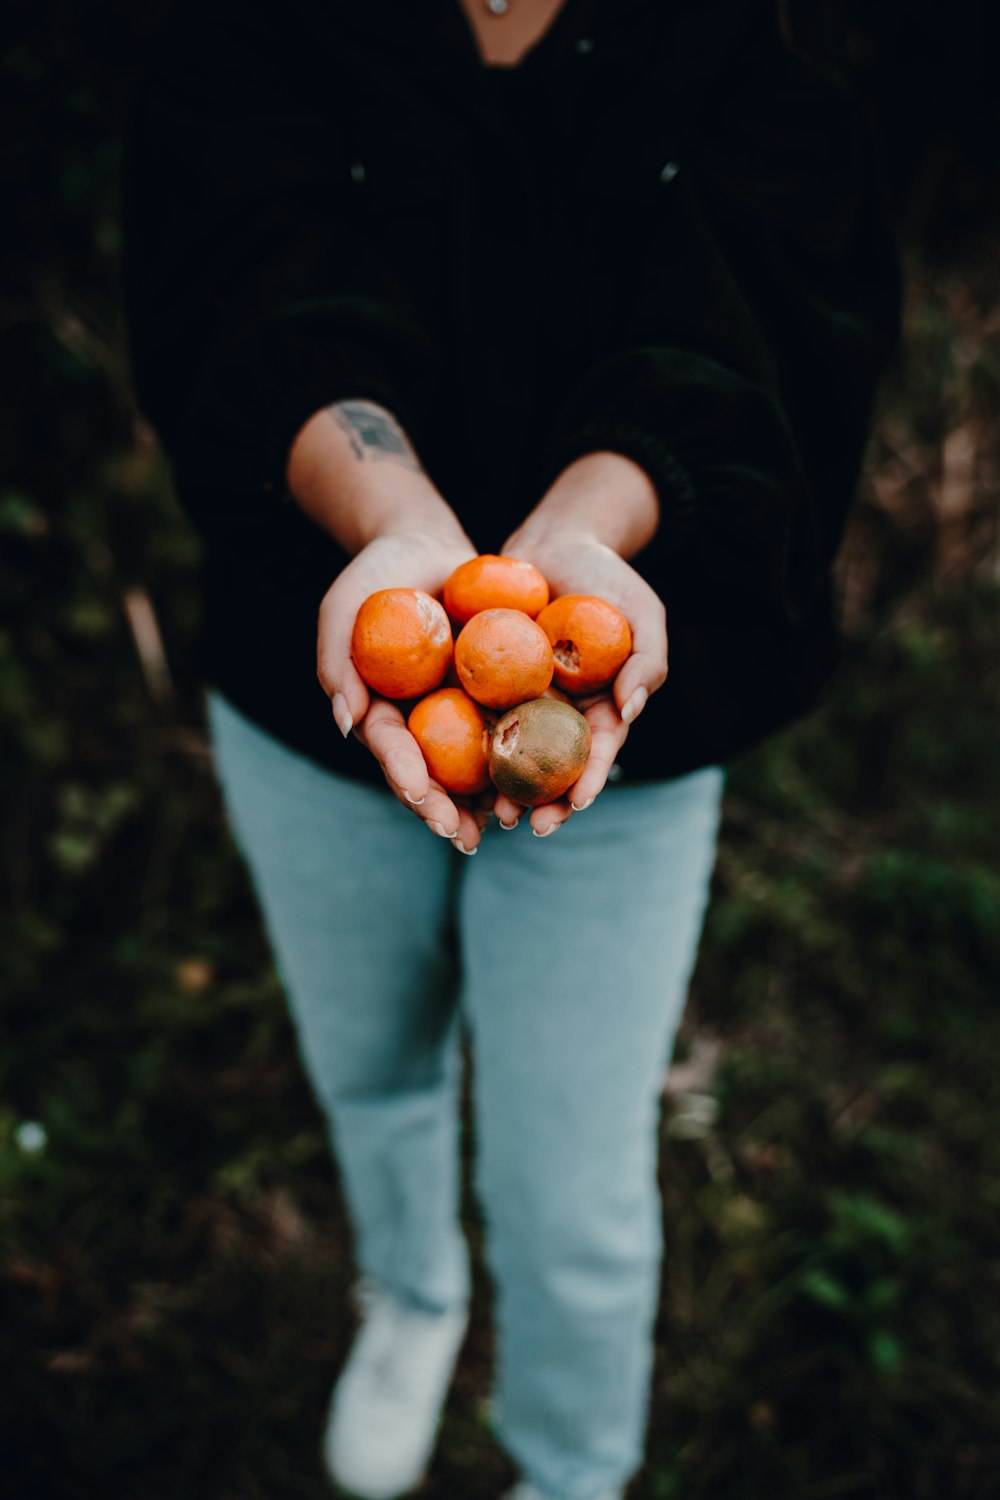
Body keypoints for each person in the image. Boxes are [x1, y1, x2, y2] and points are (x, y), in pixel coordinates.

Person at [121, 2, 901, 1497]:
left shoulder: (760, 41)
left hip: (619, 729)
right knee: (371, 1065)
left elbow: (769, 322)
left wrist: (583, 530)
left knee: (576, 1186)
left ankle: (569, 1467)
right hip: (324, 672)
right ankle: (412, 1295)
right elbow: (232, 278)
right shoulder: (248, 31)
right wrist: (399, 524)